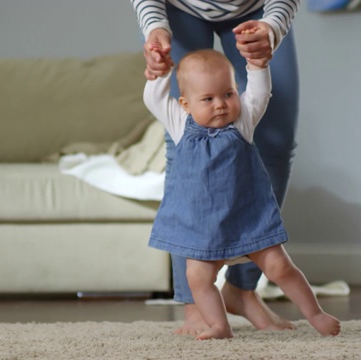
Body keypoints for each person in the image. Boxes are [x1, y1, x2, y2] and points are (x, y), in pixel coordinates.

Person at [142, 46, 340, 340]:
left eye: (228, 94)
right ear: (185, 104)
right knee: (197, 278)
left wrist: (258, 66)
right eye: (208, 99)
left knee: (281, 267)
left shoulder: (243, 121)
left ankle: (315, 314)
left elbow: (259, 94)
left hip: (248, 222)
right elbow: (153, 99)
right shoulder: (180, 124)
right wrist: (159, 73)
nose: (220, 104)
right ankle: (219, 324)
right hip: (201, 229)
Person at [131, 0, 301, 335]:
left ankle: (241, 290)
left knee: (276, 144)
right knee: (184, 146)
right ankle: (195, 300)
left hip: (259, 8)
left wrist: (274, 26)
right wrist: (155, 29)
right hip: (179, 9)